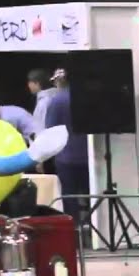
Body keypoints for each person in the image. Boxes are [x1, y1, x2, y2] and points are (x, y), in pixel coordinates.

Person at [42, 69, 90, 233]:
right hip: (88, 154)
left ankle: (73, 228)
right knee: (91, 193)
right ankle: (92, 226)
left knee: (69, 195)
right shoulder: (86, 97)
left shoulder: (57, 100)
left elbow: (50, 128)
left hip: (65, 155)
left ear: (60, 81)